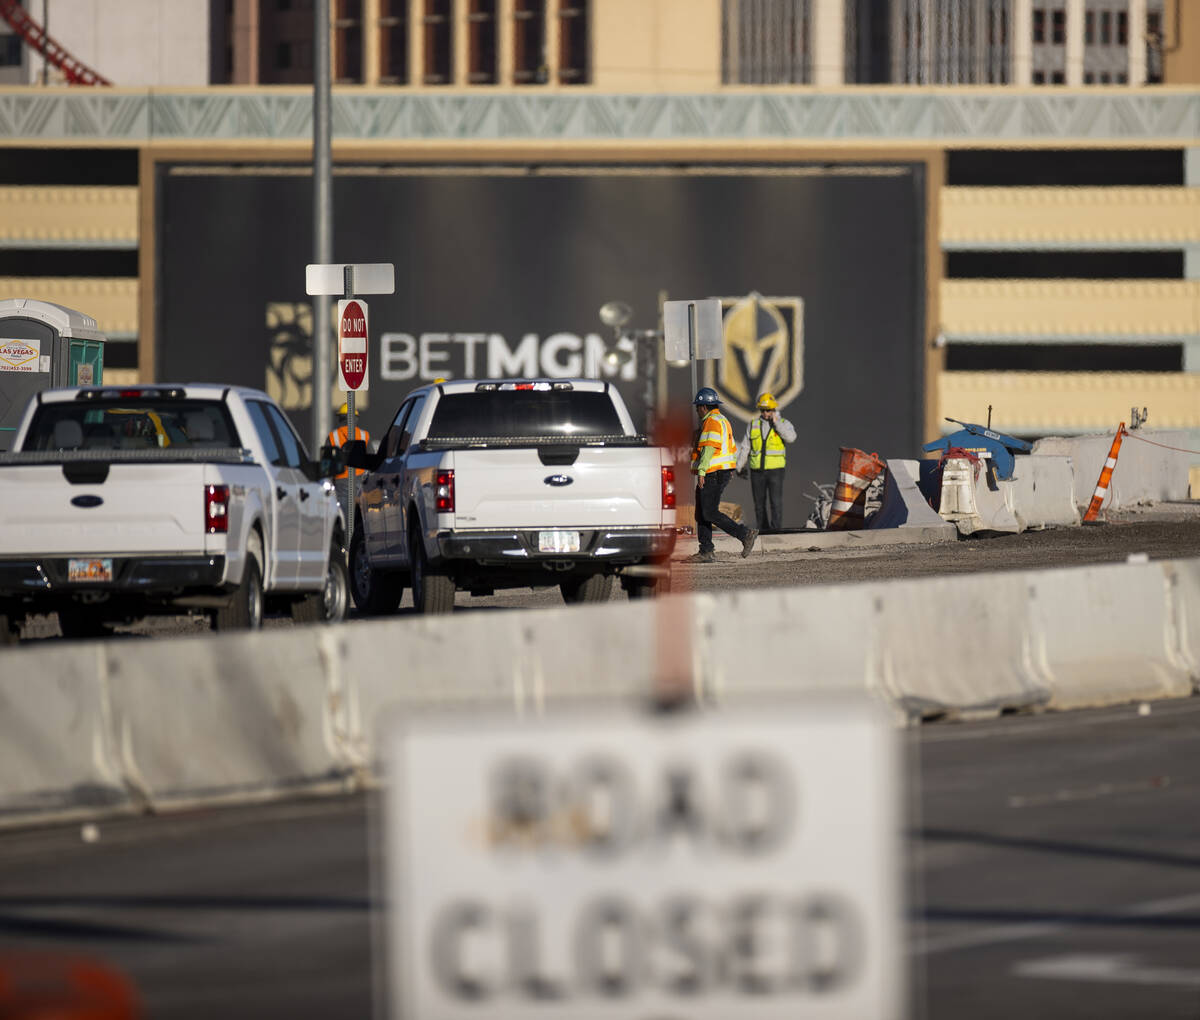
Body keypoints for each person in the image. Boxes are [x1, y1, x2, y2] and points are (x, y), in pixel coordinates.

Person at [687, 387, 758, 563]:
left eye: (698, 407)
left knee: (709, 512)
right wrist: (731, 468)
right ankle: (706, 551)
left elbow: (709, 449)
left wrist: (702, 471)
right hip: (720, 471)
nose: (697, 411)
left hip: (712, 472)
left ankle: (744, 534)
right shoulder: (722, 420)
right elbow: (731, 447)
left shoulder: (711, 422)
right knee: (702, 513)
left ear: (704, 406)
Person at [736, 391, 796, 533]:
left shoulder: (783, 423)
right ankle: (764, 531)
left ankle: (776, 531)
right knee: (759, 504)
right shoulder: (753, 424)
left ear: (774, 409)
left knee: (775, 503)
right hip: (757, 470)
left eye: (768, 410)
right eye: (762, 410)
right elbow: (745, 447)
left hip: (776, 470)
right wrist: (739, 466)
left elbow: (791, 438)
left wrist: (777, 424)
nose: (765, 413)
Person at [327, 402, 370, 524]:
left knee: (343, 519)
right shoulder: (364, 435)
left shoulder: (332, 436)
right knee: (360, 519)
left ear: (341, 418)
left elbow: (327, 465)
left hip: (341, 482)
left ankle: (345, 542)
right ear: (355, 419)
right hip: (361, 482)